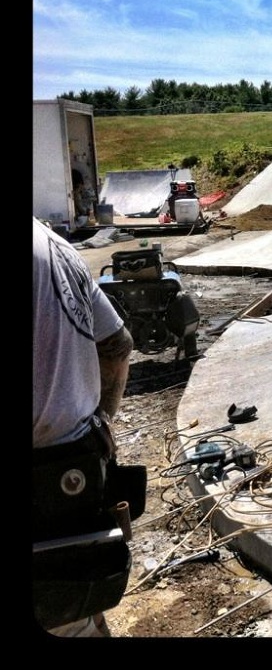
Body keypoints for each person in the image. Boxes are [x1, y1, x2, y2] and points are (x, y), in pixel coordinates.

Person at [33, 216, 135, 637]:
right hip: (73, 473)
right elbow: (118, 345)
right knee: (74, 612)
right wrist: (102, 422)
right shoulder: (56, 246)